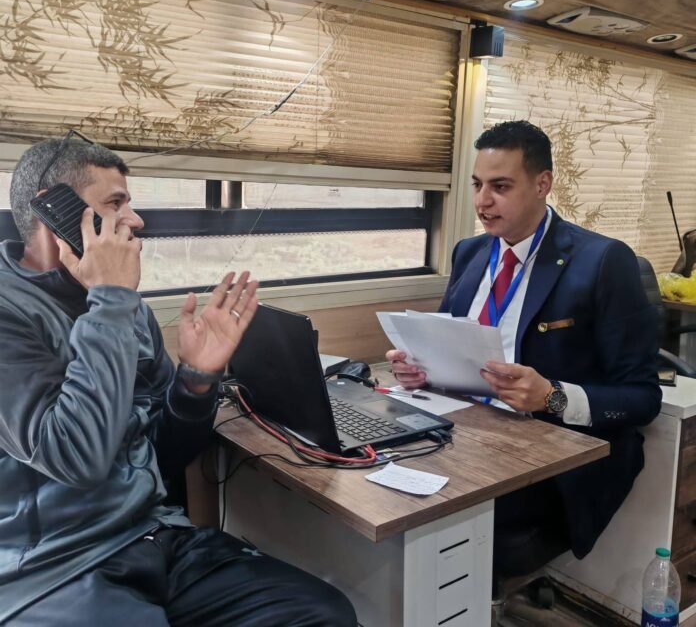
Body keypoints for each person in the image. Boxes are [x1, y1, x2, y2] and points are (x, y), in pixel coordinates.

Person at [0, 136, 357, 626]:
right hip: (58, 568)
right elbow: (76, 456)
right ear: (54, 210)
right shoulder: (21, 312)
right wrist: (111, 298)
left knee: (323, 614)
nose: (135, 220)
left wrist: (196, 380)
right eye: (116, 204)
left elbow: (164, 456)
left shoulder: (124, 309)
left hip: (154, 536)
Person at [387, 120, 661, 572]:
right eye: (477, 185)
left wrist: (551, 396)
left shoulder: (602, 261)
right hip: (464, 432)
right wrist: (419, 368)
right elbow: (445, 343)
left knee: (431, 523)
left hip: (548, 455)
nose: (482, 201)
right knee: (377, 480)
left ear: (542, 184)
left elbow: (642, 398)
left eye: (500, 186)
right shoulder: (471, 252)